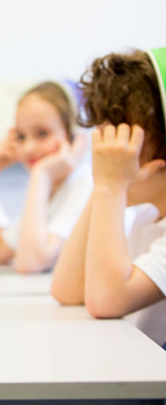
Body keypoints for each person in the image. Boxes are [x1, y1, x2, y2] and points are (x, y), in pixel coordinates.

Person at [51, 49, 166, 346]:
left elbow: (105, 299)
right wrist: (105, 185)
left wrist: (111, 187)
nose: (106, 152)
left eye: (122, 138)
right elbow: (68, 289)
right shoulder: (148, 217)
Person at [0, 81, 92, 273]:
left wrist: (41, 174)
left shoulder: (87, 187)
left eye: (42, 133)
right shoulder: (50, 189)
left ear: (74, 136)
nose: (28, 148)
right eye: (21, 136)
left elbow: (31, 264)